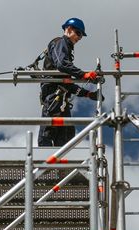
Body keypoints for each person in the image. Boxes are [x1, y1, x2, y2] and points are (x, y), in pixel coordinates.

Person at [38, 17, 104, 147]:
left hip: (61, 95)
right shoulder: (60, 42)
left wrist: (88, 94)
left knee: (66, 134)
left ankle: (60, 165)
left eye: (81, 36)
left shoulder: (66, 48)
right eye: (78, 33)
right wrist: (83, 74)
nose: (79, 38)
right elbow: (61, 64)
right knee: (48, 131)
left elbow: (67, 83)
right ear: (68, 29)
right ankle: (44, 164)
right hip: (54, 95)